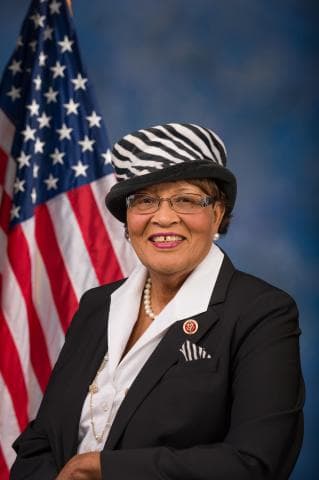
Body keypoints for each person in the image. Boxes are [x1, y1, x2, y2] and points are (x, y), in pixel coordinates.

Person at [10, 123, 304, 480]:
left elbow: (256, 464)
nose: (163, 217)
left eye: (186, 199)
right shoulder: (97, 305)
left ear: (218, 214)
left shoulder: (262, 313)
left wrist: (104, 471)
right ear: (128, 218)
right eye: (145, 200)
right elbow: (42, 438)